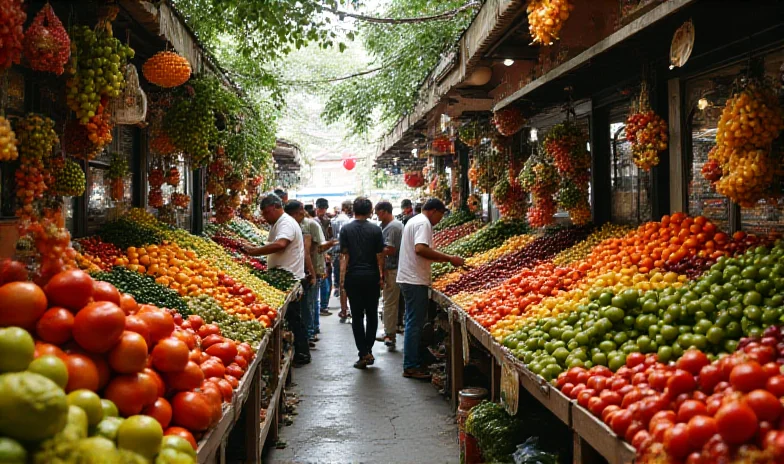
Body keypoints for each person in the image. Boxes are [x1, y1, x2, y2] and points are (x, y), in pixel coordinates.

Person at [397, 198, 464, 379]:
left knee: (414, 321)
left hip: (409, 278)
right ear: (434, 211)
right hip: (414, 280)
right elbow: (420, 249)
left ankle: (418, 359)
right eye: (441, 216)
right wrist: (449, 258)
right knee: (414, 323)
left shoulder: (414, 220)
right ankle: (411, 365)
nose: (440, 220)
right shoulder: (423, 223)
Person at [243, 193, 310, 366]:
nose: (264, 218)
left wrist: (254, 251)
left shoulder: (285, 223)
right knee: (293, 318)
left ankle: (302, 354)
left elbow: (281, 244)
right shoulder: (278, 223)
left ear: (274, 208)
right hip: (284, 276)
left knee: (294, 318)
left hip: (289, 278)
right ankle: (297, 351)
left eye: (266, 213)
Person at [339, 197, 384, 369]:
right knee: (372, 314)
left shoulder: (346, 229)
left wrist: (342, 279)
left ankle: (363, 352)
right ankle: (368, 350)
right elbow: (380, 256)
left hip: (354, 277)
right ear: (370, 210)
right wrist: (382, 276)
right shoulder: (375, 230)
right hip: (371, 276)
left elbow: (345, 256)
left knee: (357, 316)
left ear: (353, 210)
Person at [374, 201, 403, 349]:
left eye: (378, 212)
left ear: (385, 211)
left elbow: (390, 249)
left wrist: (373, 249)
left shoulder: (393, 227)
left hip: (393, 269)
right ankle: (389, 330)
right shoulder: (389, 226)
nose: (376, 215)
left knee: (390, 302)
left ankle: (390, 334)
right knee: (388, 301)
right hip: (390, 268)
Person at [330, 200, 353, 322]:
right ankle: (350, 309)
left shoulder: (336, 220)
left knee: (343, 283)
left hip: (340, 254)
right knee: (347, 284)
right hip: (346, 255)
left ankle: (344, 310)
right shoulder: (348, 221)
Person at [315, 198, 334, 316]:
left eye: (324, 209)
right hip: (320, 255)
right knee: (324, 282)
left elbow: (329, 236)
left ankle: (324, 305)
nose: (322, 212)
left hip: (325, 254)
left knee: (326, 281)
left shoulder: (327, 221)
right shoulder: (316, 222)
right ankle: (323, 306)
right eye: (321, 209)